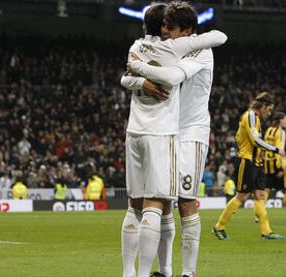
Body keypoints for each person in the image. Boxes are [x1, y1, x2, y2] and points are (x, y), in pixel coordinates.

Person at [120, 3, 227, 276]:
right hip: (166, 130)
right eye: (164, 25)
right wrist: (138, 79)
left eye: (171, 27)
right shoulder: (168, 46)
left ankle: (188, 273)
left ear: (188, 31)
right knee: (163, 199)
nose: (164, 31)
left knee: (185, 200)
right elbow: (127, 78)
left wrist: (139, 66)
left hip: (190, 132)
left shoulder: (200, 51)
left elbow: (172, 76)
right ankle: (165, 270)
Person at [212, 92, 285, 240]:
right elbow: (255, 140)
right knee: (242, 195)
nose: (269, 113)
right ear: (263, 106)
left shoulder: (256, 119)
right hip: (247, 161)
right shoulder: (251, 115)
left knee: (260, 195)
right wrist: (275, 149)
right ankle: (219, 227)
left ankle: (266, 232)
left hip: (256, 162)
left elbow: (241, 137)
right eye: (269, 109)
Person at [263, 112, 286, 222]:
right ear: (280, 120)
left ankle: (259, 215)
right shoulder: (281, 132)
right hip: (278, 163)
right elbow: (279, 149)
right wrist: (280, 167)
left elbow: (266, 147)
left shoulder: (268, 130)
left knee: (266, 190)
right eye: (285, 119)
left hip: (268, 163)